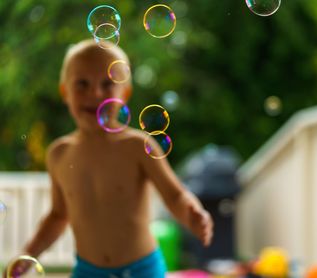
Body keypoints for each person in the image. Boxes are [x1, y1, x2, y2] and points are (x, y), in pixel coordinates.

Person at [3, 39, 213, 278]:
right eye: (82, 83)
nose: (95, 93)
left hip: (142, 270)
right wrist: (28, 255)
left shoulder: (137, 146)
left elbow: (174, 195)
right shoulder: (59, 154)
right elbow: (58, 215)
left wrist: (192, 212)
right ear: (64, 91)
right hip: (87, 271)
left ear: (125, 93)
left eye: (107, 83)